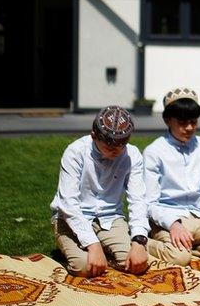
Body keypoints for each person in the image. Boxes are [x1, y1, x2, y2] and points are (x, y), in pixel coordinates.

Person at [50, 106, 150, 277]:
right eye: (109, 144)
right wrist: (93, 245)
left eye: (121, 144)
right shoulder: (75, 152)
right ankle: (84, 248)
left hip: (110, 219)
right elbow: (68, 204)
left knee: (135, 263)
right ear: (93, 135)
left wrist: (139, 240)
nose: (116, 149)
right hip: (70, 219)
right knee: (84, 267)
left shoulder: (133, 155)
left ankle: (102, 250)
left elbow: (138, 199)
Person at [142, 87, 200, 265]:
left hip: (199, 216)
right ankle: (142, 243)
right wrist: (173, 224)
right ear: (167, 120)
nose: (189, 128)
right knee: (179, 257)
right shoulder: (154, 152)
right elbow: (149, 202)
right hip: (167, 217)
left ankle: (189, 250)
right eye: (182, 122)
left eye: (194, 122)